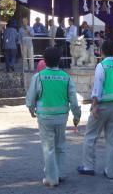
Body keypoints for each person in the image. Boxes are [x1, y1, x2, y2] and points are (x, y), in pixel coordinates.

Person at [26, 46, 81, 187]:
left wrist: (31, 110)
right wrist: (76, 116)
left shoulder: (38, 77)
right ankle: (61, 173)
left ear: (44, 60)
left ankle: (51, 178)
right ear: (59, 60)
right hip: (62, 117)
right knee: (60, 145)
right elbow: (74, 100)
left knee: (48, 147)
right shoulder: (66, 77)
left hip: (45, 117)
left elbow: (31, 98)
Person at [77, 41, 113, 179]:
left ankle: (88, 166)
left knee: (90, 136)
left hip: (101, 106)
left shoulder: (101, 66)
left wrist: (94, 106)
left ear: (101, 52)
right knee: (112, 139)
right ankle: (110, 171)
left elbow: (97, 87)